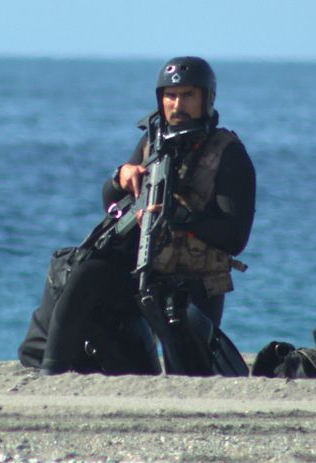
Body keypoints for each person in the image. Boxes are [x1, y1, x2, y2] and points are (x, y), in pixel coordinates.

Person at [34, 57, 256, 375]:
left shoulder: (228, 153)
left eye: (188, 95)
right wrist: (119, 178)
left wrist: (177, 216)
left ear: (207, 99)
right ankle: (51, 371)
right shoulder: (152, 141)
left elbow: (234, 238)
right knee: (85, 273)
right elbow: (112, 205)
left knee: (189, 370)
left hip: (193, 282)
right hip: (142, 272)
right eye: (170, 95)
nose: (177, 104)